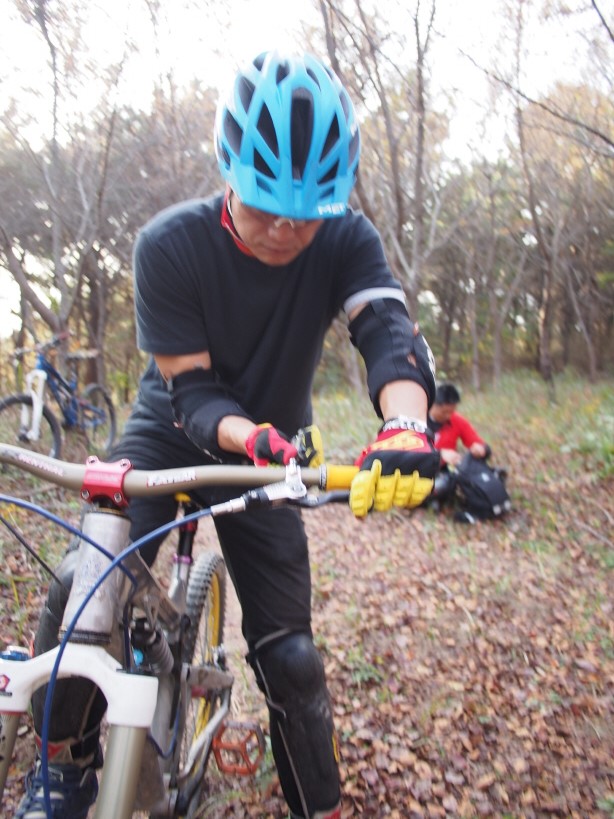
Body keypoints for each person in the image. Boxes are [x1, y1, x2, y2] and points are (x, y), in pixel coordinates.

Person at [17, 51, 440, 819]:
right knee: (84, 587)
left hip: (270, 455)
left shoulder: (347, 239)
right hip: (170, 434)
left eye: (306, 213)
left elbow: (387, 331)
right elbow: (196, 396)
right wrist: (257, 439)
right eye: (265, 205)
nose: (285, 229)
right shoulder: (168, 246)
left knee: (292, 658)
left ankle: (318, 806)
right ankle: (64, 762)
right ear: (229, 172)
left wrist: (406, 427)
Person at [427, 382, 490, 505]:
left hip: (444, 470)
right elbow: (406, 454)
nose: (448, 416)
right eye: (444, 412)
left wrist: (482, 450)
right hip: (417, 470)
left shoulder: (456, 420)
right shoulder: (415, 421)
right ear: (431, 405)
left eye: (452, 411)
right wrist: (439, 454)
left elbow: (477, 442)